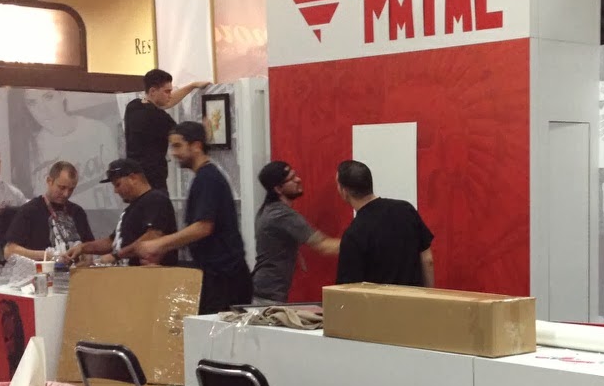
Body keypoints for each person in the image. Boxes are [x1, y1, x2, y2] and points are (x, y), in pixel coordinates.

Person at [134, 122, 252, 314]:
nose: (173, 153)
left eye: (177, 146)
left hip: (224, 278)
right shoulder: (204, 178)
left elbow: (202, 227)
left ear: (196, 146)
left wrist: (159, 244)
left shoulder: (207, 178)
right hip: (216, 275)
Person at [333, 160, 435, 287]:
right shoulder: (406, 209)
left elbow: (348, 289)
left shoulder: (353, 234)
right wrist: (428, 295)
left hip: (378, 301)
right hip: (415, 298)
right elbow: (427, 260)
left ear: (344, 192)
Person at [14, 90, 119, 209]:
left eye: (48, 97)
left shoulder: (98, 130)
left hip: (105, 215)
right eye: (32, 103)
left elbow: (116, 184)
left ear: (62, 95)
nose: (42, 109)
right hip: (65, 218)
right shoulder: (33, 151)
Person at [252, 161, 340, 304]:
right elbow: (323, 245)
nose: (298, 180)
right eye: (291, 178)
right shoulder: (281, 215)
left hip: (263, 292)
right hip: (267, 297)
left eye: (295, 175)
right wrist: (360, 243)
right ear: (278, 189)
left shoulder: (269, 210)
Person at [68, 159, 178, 267]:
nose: (115, 191)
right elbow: (112, 242)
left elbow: (152, 237)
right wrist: (82, 248)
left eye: (118, 184)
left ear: (133, 178)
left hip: (153, 274)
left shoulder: (155, 199)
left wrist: (116, 255)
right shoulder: (130, 210)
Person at [123, 69, 210, 195]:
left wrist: (192, 86)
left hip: (134, 180)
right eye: (167, 91)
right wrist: (205, 130)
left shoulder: (133, 106)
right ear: (153, 91)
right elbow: (183, 135)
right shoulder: (159, 118)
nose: (170, 95)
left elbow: (166, 102)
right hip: (153, 183)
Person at [4, 161, 94, 262]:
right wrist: (43, 256)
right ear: (49, 181)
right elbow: (9, 251)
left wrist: (86, 258)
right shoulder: (29, 211)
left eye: (71, 189)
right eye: (62, 188)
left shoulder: (78, 212)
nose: (66, 194)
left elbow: (89, 249)